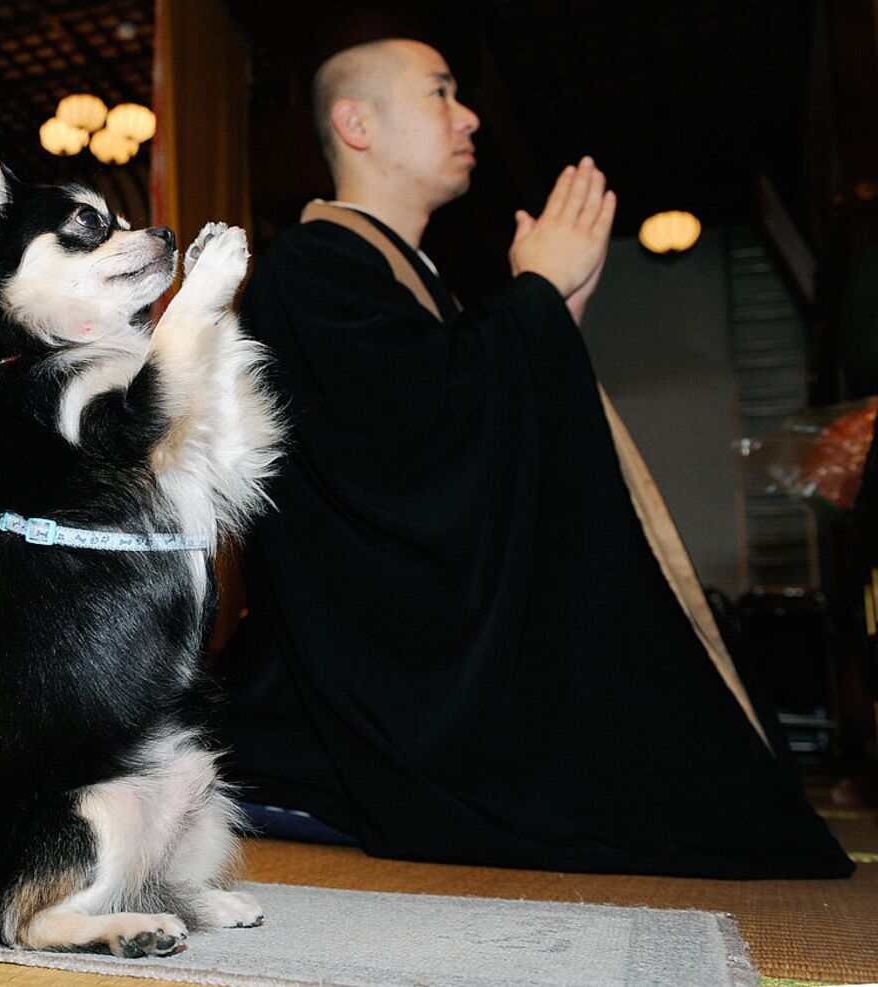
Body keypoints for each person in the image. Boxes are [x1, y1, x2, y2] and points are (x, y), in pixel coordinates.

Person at [214, 38, 853, 878]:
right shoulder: (309, 267)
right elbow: (404, 458)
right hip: (351, 677)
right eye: (440, 93)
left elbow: (460, 425)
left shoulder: (402, 274)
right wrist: (532, 308)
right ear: (356, 124)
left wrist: (547, 323)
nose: (469, 114)